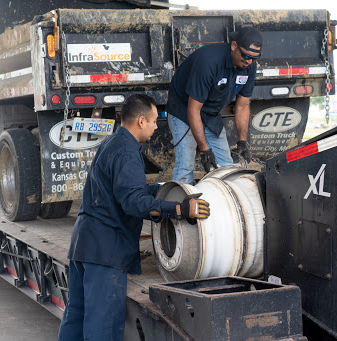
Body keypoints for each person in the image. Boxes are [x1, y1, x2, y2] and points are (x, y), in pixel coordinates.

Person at [57, 94, 210, 341]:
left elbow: (126, 191)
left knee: (77, 314)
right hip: (105, 251)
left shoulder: (112, 143)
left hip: (85, 244)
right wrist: (180, 210)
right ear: (140, 121)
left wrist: (164, 190)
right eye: (154, 121)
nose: (156, 126)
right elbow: (134, 203)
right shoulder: (127, 153)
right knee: (103, 325)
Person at [166, 26, 263, 184]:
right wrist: (205, 150)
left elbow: (242, 105)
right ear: (234, 46)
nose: (249, 61)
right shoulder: (209, 62)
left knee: (226, 167)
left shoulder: (249, 66)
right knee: (186, 165)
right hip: (183, 109)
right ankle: (180, 205)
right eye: (246, 55)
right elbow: (193, 109)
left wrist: (242, 141)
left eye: (254, 57)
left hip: (211, 113)